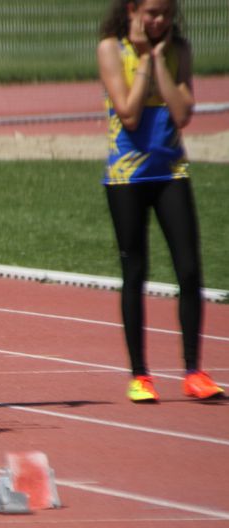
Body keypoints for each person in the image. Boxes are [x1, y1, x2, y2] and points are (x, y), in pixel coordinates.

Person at [97, 0, 222, 403]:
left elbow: (183, 112)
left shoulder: (179, 51)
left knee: (189, 269)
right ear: (133, 9)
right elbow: (129, 114)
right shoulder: (110, 50)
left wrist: (157, 57)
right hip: (126, 177)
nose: (159, 21)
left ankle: (193, 370)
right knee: (135, 271)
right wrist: (146, 63)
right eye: (151, 13)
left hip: (171, 173)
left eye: (166, 14)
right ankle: (141, 375)